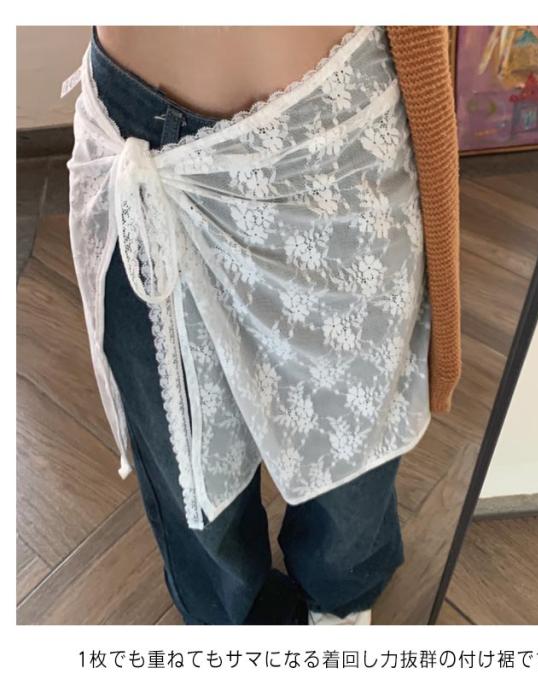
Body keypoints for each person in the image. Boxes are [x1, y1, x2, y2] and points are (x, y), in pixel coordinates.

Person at [65, 25, 461, 625]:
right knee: (186, 461)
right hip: (139, 142)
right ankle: (238, 624)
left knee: (354, 448)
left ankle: (340, 596)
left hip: (335, 139)